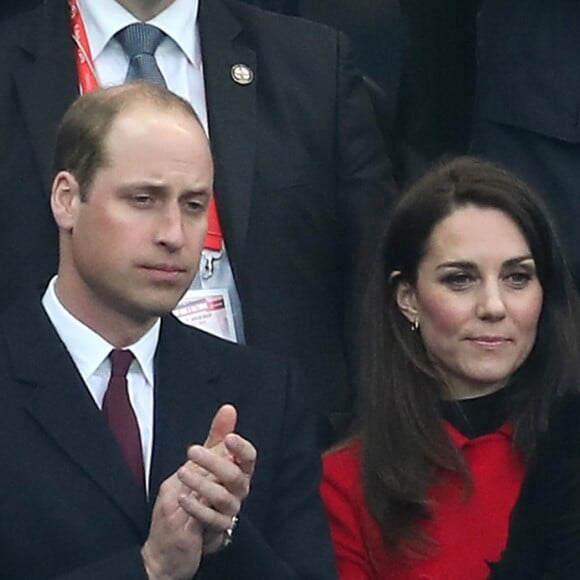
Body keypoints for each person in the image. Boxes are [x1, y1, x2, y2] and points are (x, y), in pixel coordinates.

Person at [0, 0, 395, 446]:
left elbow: (373, 273)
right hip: (53, 445)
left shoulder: (315, 63)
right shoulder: (12, 58)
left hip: (285, 448)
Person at [0, 82, 336, 579]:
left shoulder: (265, 394)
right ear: (67, 199)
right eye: (143, 199)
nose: (174, 235)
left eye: (195, 205)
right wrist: (150, 567)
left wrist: (225, 533)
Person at [320, 156, 580, 578]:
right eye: (460, 279)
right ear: (408, 298)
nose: (493, 306)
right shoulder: (347, 482)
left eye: (517, 277)